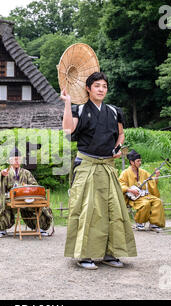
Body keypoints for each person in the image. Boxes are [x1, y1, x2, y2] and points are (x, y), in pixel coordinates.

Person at [61, 71, 137, 270]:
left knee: (113, 210)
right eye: (97, 86)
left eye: (104, 86)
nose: (101, 89)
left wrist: (118, 149)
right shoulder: (79, 109)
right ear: (88, 89)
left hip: (108, 166)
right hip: (87, 165)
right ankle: (84, 255)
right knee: (88, 210)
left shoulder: (114, 111)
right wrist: (68, 103)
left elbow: (120, 135)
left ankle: (111, 253)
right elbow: (68, 130)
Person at [0, 147, 53, 238]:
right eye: (14, 159)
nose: (17, 161)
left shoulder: (26, 173)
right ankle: (1, 229)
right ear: (9, 161)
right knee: (1, 204)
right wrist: (1, 176)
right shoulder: (5, 172)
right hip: (10, 198)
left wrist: (27, 189)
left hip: (26, 198)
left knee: (39, 206)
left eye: (18, 159)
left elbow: (34, 186)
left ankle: (40, 227)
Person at [119, 150, 166, 232]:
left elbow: (152, 182)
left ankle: (154, 224)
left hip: (144, 195)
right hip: (134, 197)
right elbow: (120, 184)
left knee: (158, 201)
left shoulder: (143, 172)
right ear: (132, 162)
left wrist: (157, 176)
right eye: (138, 161)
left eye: (140, 160)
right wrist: (129, 189)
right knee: (145, 203)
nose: (140, 162)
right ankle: (139, 223)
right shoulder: (125, 173)